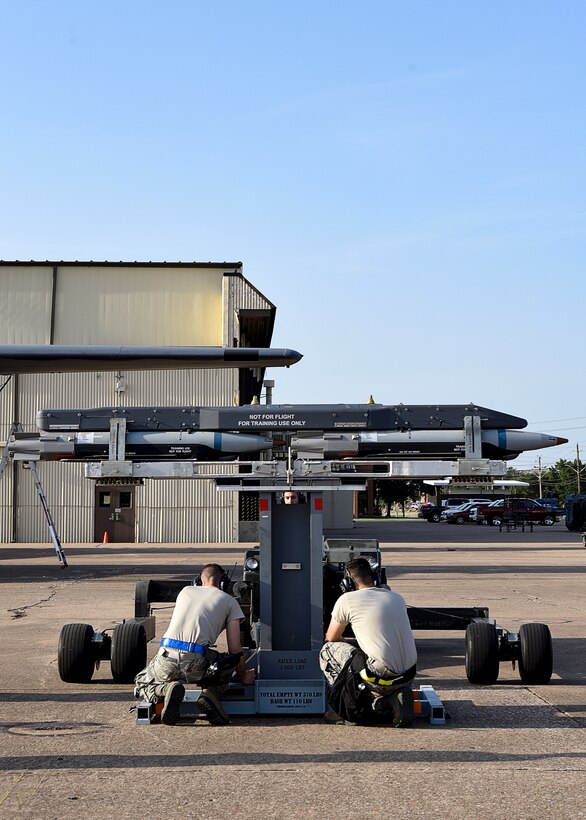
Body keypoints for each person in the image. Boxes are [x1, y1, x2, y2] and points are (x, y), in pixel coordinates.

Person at [134, 563, 256, 725]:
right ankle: (209, 694)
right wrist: (245, 675)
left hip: (166, 657)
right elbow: (235, 649)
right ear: (223, 583)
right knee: (228, 662)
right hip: (197, 662)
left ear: (198, 581)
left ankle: (165, 690)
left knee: (142, 681)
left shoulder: (185, 591)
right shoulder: (229, 602)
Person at [320, 558, 417, 726]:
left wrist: (351, 646)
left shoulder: (347, 599)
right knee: (367, 659)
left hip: (379, 677)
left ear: (347, 583)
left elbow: (331, 637)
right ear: (375, 577)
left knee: (327, 651)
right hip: (408, 676)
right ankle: (390, 700)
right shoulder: (397, 598)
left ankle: (346, 707)